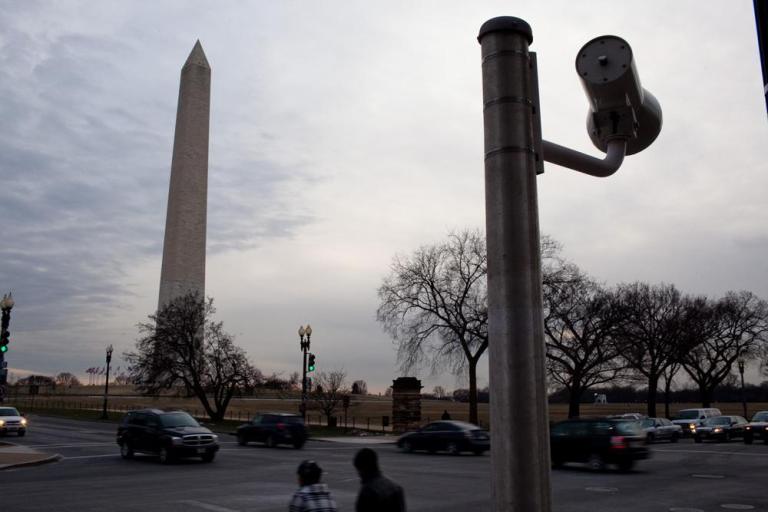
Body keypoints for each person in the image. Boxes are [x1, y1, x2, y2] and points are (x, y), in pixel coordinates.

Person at [353, 448, 406, 512]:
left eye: (359, 470)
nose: (358, 474)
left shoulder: (368, 491)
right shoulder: (396, 487)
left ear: (363, 469)